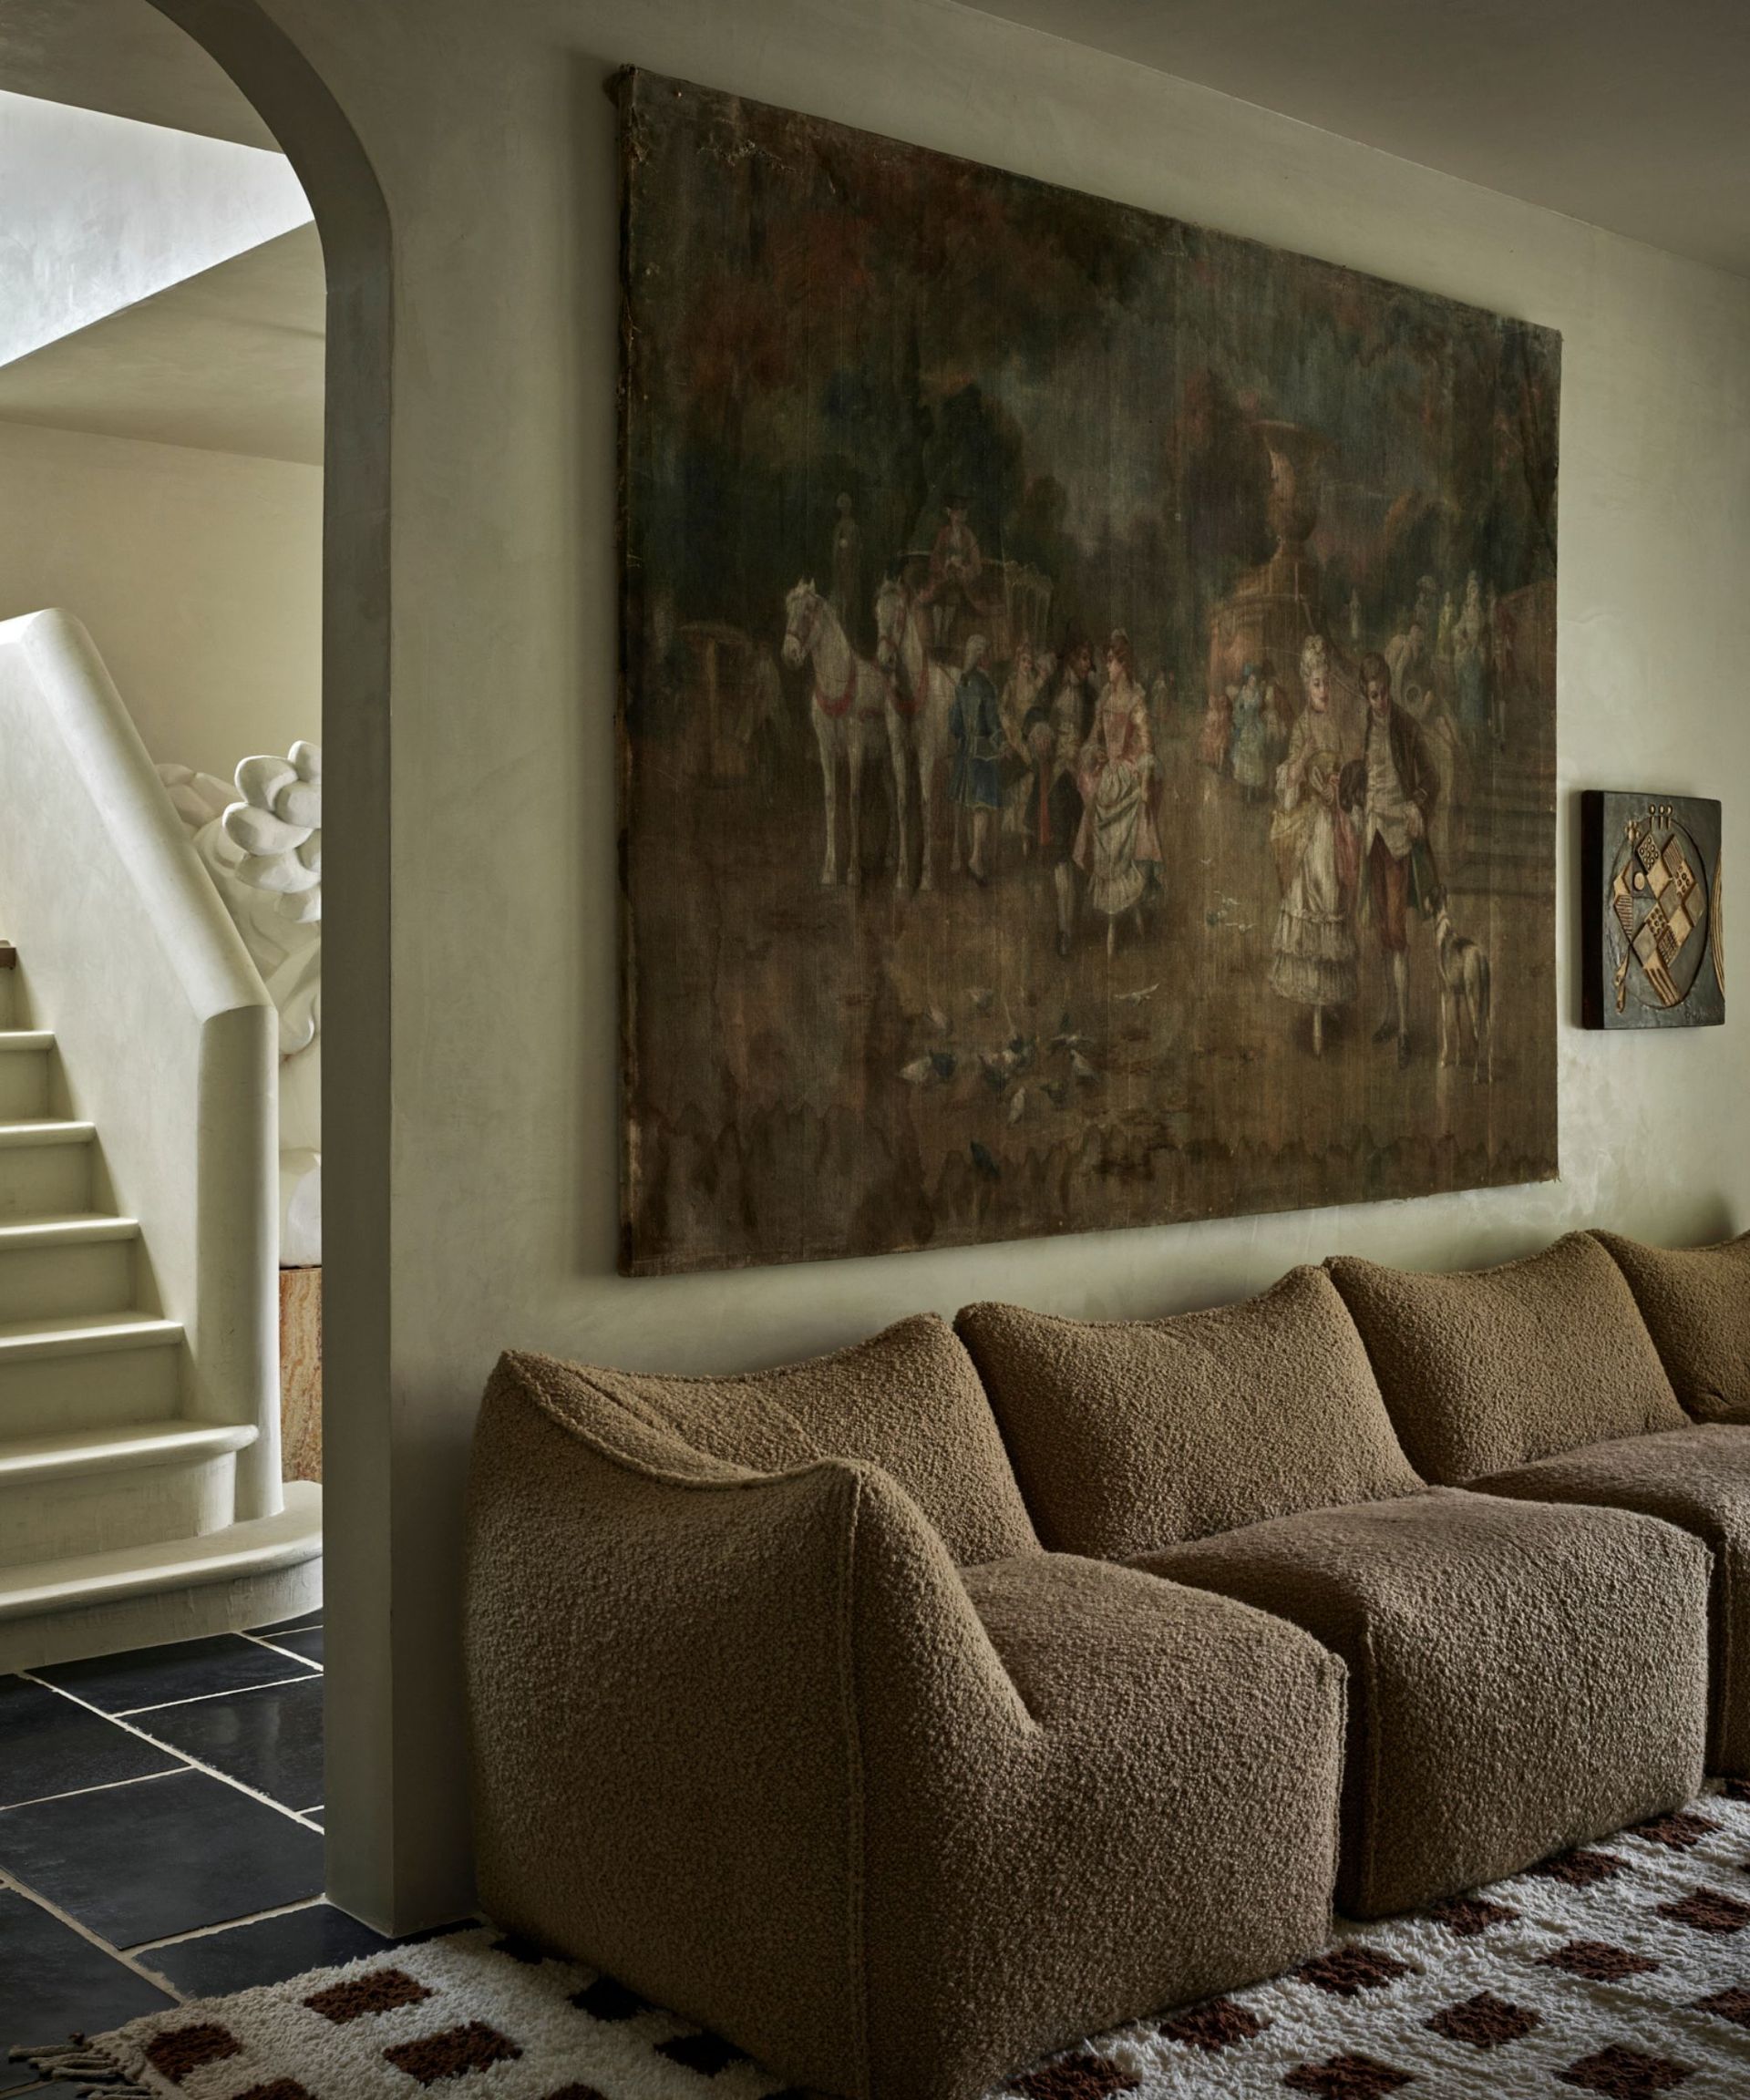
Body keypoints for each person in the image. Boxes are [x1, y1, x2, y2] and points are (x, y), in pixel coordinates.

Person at [1339, 650, 1441, 1066]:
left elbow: (1431, 778)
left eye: (1383, 693)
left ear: (1389, 689)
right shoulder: (1366, 725)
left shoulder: (1406, 726)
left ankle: (1404, 1032)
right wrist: (1357, 798)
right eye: (1373, 695)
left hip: (1399, 840)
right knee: (1382, 929)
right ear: (1365, 695)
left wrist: (1417, 805)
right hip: (1373, 838)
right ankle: (1390, 1016)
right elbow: (1365, 773)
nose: (1380, 701)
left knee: (1398, 932)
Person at [1269, 634, 1358, 1056]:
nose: (1323, 690)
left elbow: (1340, 772)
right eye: (1317, 684)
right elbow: (1289, 783)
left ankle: (1329, 1000)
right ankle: (1317, 1014)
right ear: (1306, 686)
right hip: (1310, 829)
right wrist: (1304, 761)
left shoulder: (1335, 727)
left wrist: (1337, 786)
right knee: (1315, 904)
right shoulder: (1302, 727)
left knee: (1334, 902)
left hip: (1333, 823)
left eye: (1326, 683)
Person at [1075, 631, 1162, 955]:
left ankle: (1127, 916)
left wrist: (1144, 783)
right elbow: (1093, 739)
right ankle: (1119, 920)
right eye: (1106, 662)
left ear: (1124, 665)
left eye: (1111, 662)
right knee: (1106, 855)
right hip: (1107, 779)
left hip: (1125, 780)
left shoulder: (1136, 701)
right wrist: (1093, 753)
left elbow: (1148, 748)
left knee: (1124, 854)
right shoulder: (1104, 700)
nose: (1107, 668)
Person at [1024, 637, 1097, 952]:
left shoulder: (1092, 695)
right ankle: (1064, 928)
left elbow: (1101, 732)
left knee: (1079, 853)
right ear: (1070, 660)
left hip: (1083, 781)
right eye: (1082, 658)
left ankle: (1072, 922)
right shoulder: (1052, 686)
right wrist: (1039, 729)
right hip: (1056, 778)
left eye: (1089, 659)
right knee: (1060, 854)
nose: (1087, 665)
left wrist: (1094, 750)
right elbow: (1031, 716)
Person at [949, 633, 1004, 883]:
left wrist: (964, 738)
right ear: (981, 657)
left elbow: (955, 725)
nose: (990, 658)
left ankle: (960, 856)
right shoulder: (987, 687)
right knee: (982, 806)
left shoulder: (962, 685)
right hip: (983, 754)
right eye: (988, 653)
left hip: (964, 754)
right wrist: (1003, 744)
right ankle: (975, 857)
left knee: (966, 804)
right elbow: (993, 724)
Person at [923, 497, 983, 651]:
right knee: (938, 594)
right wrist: (947, 563)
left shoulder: (968, 535)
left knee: (953, 594)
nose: (960, 515)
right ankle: (938, 635)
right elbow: (936, 556)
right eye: (957, 511)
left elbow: (976, 565)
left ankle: (945, 633)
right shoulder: (944, 533)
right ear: (950, 513)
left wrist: (963, 568)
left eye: (963, 511)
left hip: (961, 579)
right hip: (944, 575)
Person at [1229, 663, 1270, 801]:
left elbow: (1260, 710)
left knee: (1256, 758)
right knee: (1244, 760)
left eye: (1254, 680)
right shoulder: (1243, 693)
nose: (1253, 682)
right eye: (1251, 679)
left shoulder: (1257, 694)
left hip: (1255, 728)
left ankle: (1254, 791)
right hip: (1245, 728)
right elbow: (1237, 711)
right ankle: (1245, 791)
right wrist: (1239, 719)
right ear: (1247, 680)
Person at [829, 493, 863, 643]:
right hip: (840, 573)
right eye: (842, 507)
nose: (844, 509)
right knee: (839, 606)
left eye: (846, 506)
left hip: (850, 572)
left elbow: (857, 550)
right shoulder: (839, 527)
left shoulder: (853, 527)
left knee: (850, 606)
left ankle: (851, 639)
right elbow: (836, 552)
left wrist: (851, 565)